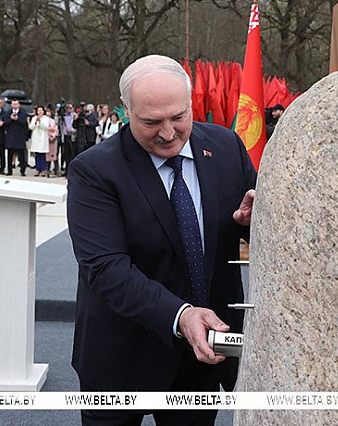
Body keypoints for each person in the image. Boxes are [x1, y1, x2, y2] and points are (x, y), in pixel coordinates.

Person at [66, 55, 257, 425]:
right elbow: (105, 269)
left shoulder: (226, 147)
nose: (168, 133)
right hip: (123, 353)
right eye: (151, 122)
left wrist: (253, 224)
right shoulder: (94, 170)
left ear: (190, 102)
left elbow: (251, 227)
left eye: (178, 117)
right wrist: (180, 315)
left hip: (204, 351)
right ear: (127, 111)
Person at [4, 99, 29, 176]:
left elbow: (24, 123)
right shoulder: (8, 112)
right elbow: (5, 122)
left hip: (20, 136)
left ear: (19, 105)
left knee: (21, 156)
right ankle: (9, 170)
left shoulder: (23, 113)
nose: (15, 105)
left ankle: (22, 170)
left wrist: (17, 119)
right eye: (13, 104)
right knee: (9, 155)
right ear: (11, 105)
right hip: (10, 136)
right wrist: (11, 119)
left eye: (16, 104)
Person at [28, 105, 51, 177]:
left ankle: (43, 169)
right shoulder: (34, 118)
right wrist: (35, 122)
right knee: (37, 154)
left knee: (42, 154)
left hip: (43, 138)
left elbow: (46, 127)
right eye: (38, 111)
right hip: (36, 137)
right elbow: (31, 127)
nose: (40, 112)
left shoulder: (46, 118)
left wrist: (40, 122)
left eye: (41, 110)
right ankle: (38, 169)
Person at [59, 104, 77, 175]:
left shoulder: (75, 116)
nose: (68, 109)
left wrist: (71, 130)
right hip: (66, 136)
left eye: (70, 108)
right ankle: (66, 169)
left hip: (72, 137)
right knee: (66, 154)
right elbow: (62, 126)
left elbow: (76, 128)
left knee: (72, 154)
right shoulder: (65, 116)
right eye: (67, 108)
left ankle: (72, 171)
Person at [46, 109, 59, 177]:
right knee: (47, 155)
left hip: (53, 139)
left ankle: (56, 169)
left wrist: (53, 136)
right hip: (46, 139)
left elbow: (55, 129)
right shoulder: (44, 120)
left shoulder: (53, 121)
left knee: (54, 154)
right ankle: (47, 169)